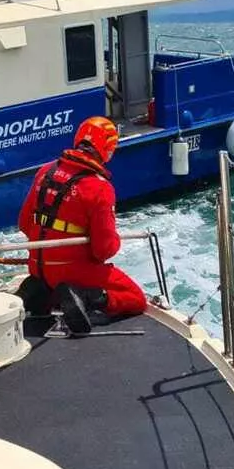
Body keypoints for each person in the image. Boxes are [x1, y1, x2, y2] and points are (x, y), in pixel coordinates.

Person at [16, 116, 147, 335]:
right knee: (135, 298)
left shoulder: (45, 172)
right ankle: (87, 297)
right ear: (106, 149)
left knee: (50, 279)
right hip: (71, 270)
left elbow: (24, 223)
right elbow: (103, 249)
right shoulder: (99, 188)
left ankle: (40, 292)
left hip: (38, 266)